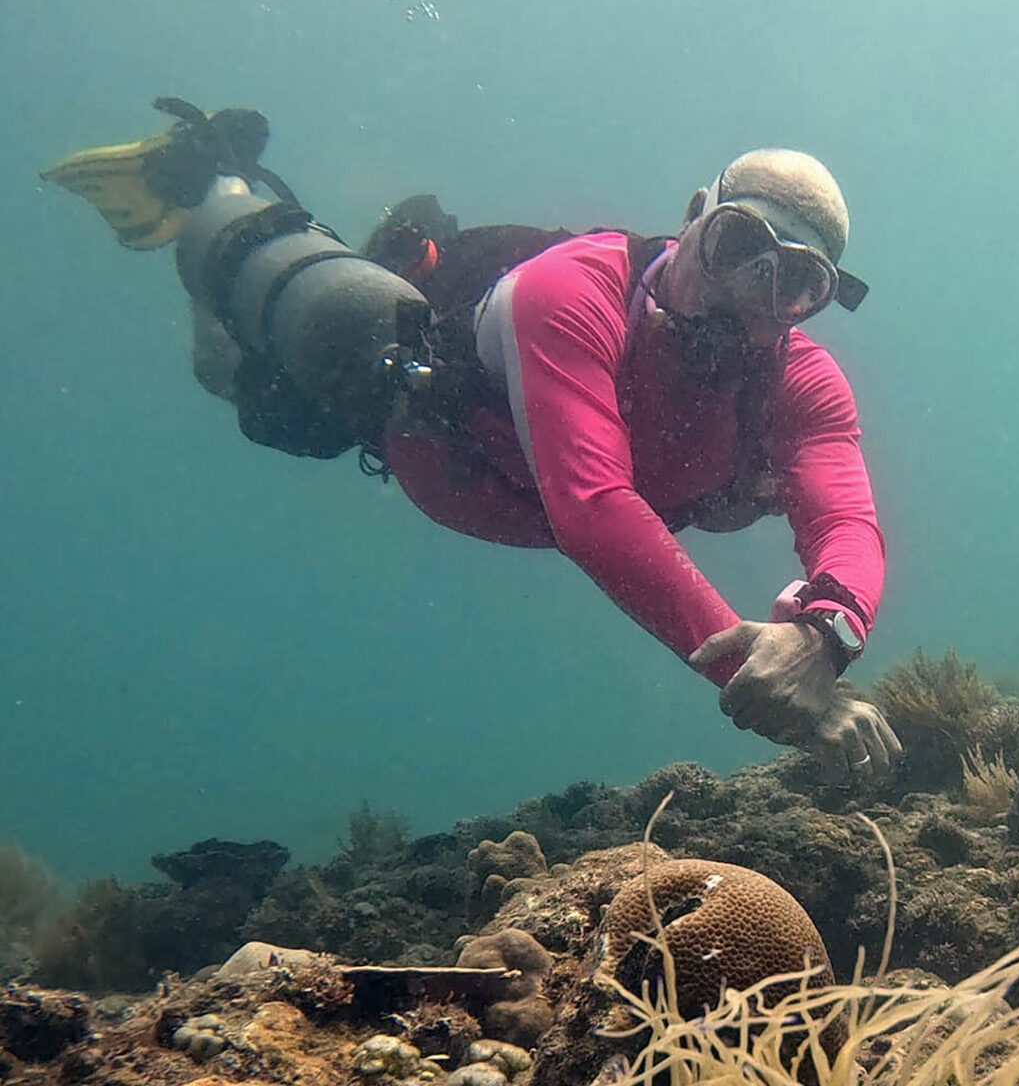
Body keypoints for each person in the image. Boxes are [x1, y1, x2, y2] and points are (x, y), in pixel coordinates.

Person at [42, 100, 902, 779]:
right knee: (261, 399)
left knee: (251, 393)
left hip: (490, 485)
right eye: (740, 244)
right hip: (405, 413)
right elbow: (594, 508)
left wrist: (826, 637)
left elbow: (848, 525)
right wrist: (764, 682)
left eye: (794, 281)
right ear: (691, 219)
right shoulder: (570, 293)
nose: (751, 290)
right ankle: (213, 177)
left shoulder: (804, 384)